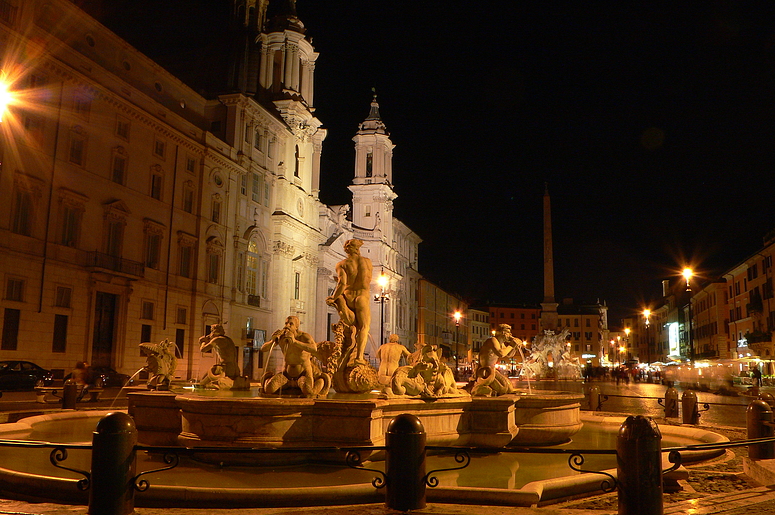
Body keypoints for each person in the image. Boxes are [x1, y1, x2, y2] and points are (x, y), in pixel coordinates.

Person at [326, 239, 373, 366]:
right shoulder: (367, 262)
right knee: (363, 327)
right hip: (362, 297)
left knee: (351, 323)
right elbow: (367, 280)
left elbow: (342, 284)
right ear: (358, 249)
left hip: (348, 296)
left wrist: (334, 297)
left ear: (346, 250)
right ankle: (359, 357)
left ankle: (341, 303)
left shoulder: (342, 264)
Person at [261, 315, 329, 397]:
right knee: (269, 389)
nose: (287, 326)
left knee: (308, 391)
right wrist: (273, 340)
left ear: (297, 327)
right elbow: (263, 348)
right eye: (286, 323)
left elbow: (314, 348)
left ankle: (321, 381)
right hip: (287, 374)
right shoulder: (282, 337)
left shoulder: (304, 336)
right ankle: (283, 384)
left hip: (303, 373)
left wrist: (294, 342)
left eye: (291, 324)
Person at [471, 324, 519, 396]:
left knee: (509, 387)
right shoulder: (492, 340)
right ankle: (481, 389)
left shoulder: (500, 343)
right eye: (508, 332)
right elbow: (501, 353)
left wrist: (515, 347)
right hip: (485, 370)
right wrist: (511, 345)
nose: (510, 334)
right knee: (503, 388)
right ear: (503, 333)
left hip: (492, 370)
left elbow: (509, 355)